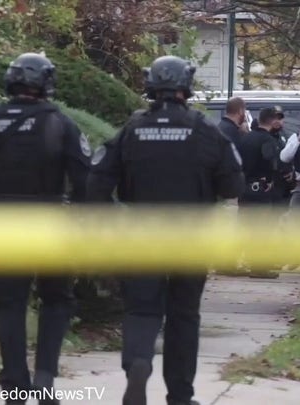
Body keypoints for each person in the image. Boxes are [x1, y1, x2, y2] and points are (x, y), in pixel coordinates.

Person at [85, 55, 244, 405]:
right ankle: (180, 396)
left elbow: (96, 182)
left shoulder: (133, 129)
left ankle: (139, 363)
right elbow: (234, 184)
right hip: (192, 237)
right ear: (186, 86)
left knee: (142, 310)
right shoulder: (205, 130)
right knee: (184, 315)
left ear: (150, 85)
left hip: (142, 235)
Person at [0, 52, 91, 405]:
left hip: (3, 225)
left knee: (8, 304)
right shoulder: (62, 125)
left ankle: (14, 384)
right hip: (52, 224)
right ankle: (45, 380)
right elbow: (85, 183)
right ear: (47, 83)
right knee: (57, 300)